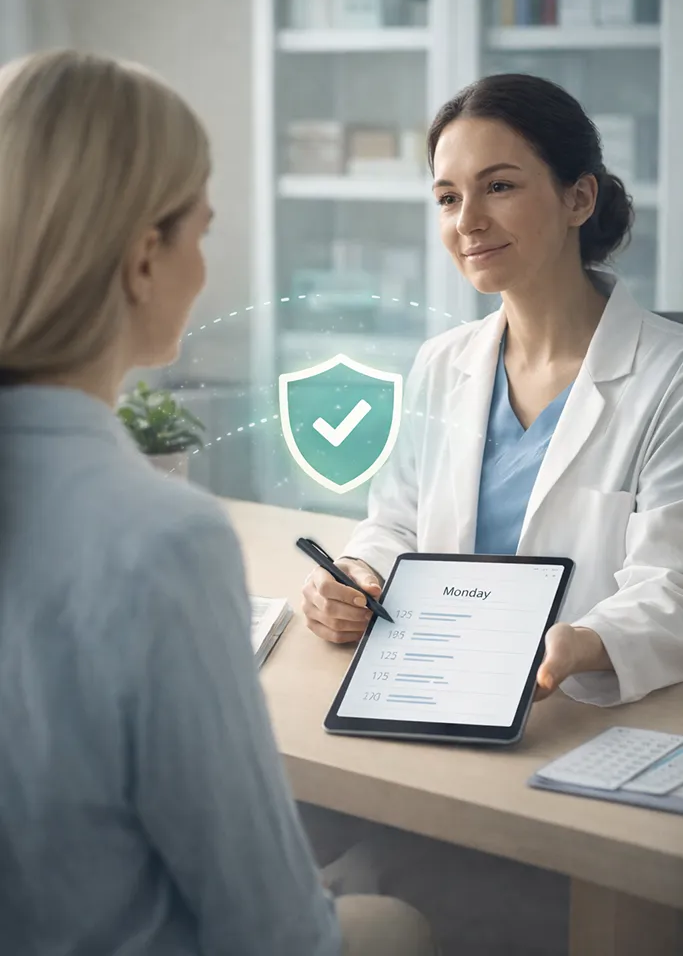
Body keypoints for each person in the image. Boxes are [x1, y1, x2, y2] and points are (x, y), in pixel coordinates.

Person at [0, 50, 438, 956]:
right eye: (200, 231)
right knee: (393, 922)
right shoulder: (162, 540)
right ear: (142, 259)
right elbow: (273, 934)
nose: (207, 266)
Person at [299, 73, 683, 948]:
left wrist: (583, 642)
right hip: (432, 714)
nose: (465, 222)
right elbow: (391, 522)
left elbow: (673, 586)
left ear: (578, 196)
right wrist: (357, 577)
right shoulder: (442, 363)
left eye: (499, 186)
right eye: (446, 196)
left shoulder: (669, 378)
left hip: (569, 729)